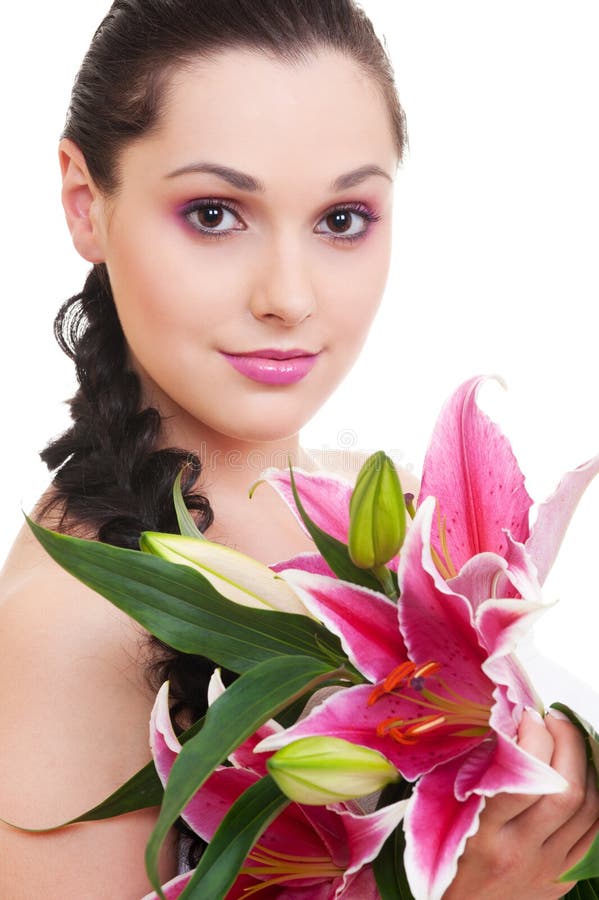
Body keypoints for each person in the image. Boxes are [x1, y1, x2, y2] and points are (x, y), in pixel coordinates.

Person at [0, 1, 597, 897]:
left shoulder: (388, 504)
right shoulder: (70, 629)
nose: (289, 295)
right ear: (86, 203)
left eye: (343, 219)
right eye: (212, 213)